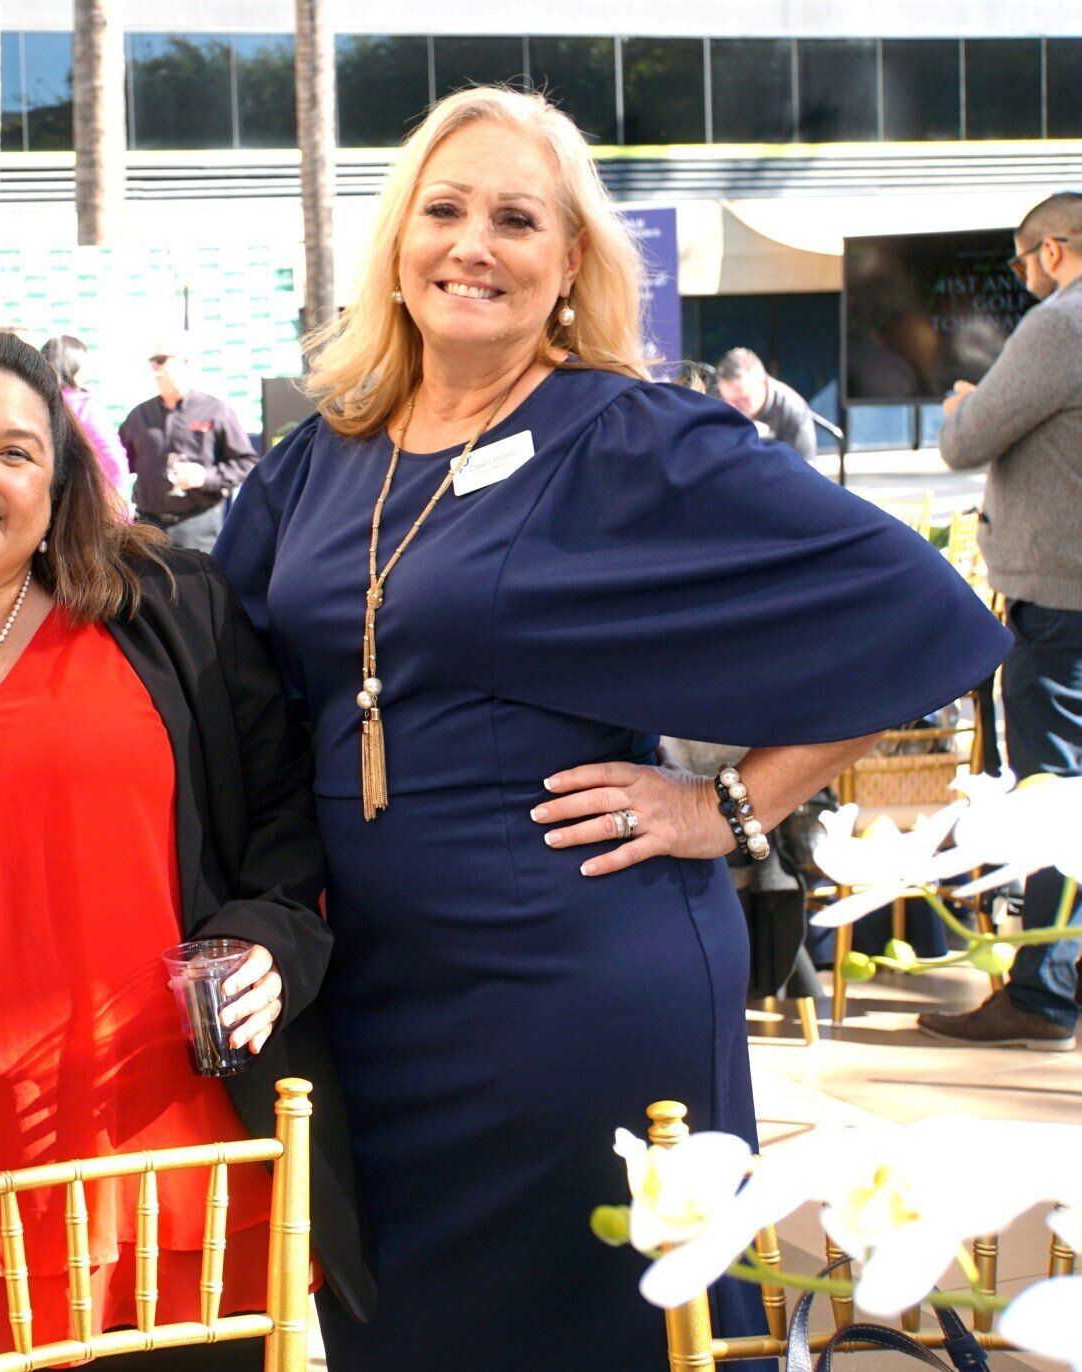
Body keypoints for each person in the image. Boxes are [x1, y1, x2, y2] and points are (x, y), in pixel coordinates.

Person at [211, 86, 1011, 1369]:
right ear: (398, 240)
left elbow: (919, 608)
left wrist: (730, 806)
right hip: (373, 1002)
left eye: (516, 219)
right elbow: (221, 657)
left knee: (614, 1332)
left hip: (577, 991)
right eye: (445, 210)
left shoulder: (629, 435)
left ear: (571, 258)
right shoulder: (324, 457)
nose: (473, 245)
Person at [0, 332, 372, 1368]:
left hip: (176, 1197)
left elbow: (286, 820)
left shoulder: (171, 611)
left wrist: (268, 942)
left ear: (59, 485)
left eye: (16, 451)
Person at [921, 190, 1082, 1051]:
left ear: (1052, 251)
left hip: (1062, 600)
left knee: (1054, 797)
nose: (1023, 279)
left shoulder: (1060, 324)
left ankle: (1043, 996)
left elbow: (966, 442)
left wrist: (961, 407)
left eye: (1022, 263)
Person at [118, 335, 258, 551]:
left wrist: (205, 476)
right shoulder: (140, 415)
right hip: (148, 528)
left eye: (161, 360)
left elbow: (247, 464)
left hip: (197, 527)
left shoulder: (215, 411)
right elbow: (118, 464)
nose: (155, 367)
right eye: (152, 361)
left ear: (185, 362)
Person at [42, 334, 129, 492]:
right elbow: (111, 455)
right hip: (82, 496)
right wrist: (119, 495)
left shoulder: (35, 403)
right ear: (74, 366)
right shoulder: (84, 406)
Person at [716, 347, 818, 460]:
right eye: (726, 400)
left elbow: (803, 467)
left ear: (764, 383)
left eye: (743, 399)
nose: (734, 408)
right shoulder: (713, 402)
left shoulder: (792, 409)